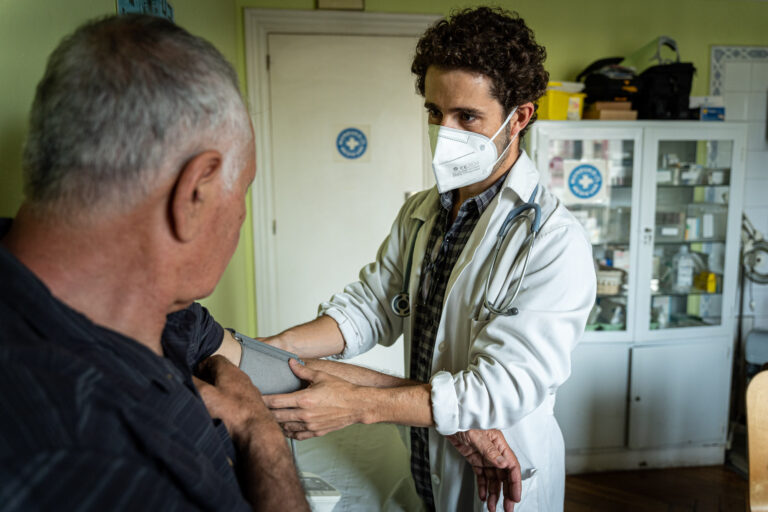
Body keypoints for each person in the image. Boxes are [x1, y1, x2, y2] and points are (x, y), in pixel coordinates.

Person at [259, 7, 596, 511]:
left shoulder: (551, 240)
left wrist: (358, 404)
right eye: (436, 113)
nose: (446, 131)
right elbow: (372, 307)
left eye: (467, 117)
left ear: (519, 117)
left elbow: (498, 390)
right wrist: (268, 350)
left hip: (498, 485)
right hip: (423, 454)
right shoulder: (422, 211)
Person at [0, 15, 308, 511]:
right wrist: (260, 431)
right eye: (243, 190)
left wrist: (403, 399)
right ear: (195, 192)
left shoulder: (162, 306)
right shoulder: (82, 459)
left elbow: (274, 369)